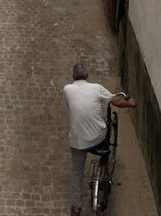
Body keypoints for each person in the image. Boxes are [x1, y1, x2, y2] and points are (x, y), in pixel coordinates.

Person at [63, 63, 136, 216]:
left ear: (73, 76)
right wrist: (130, 103)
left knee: (77, 172)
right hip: (96, 138)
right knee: (105, 127)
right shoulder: (96, 88)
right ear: (87, 75)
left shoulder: (67, 90)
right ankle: (104, 163)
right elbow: (116, 101)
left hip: (77, 141)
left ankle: (76, 208)